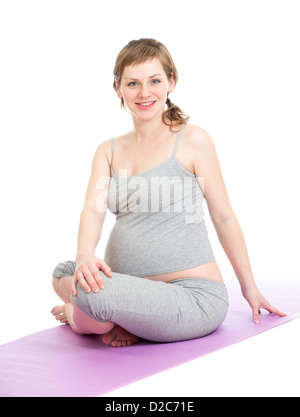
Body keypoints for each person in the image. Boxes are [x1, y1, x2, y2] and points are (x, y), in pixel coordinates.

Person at [51, 38, 286, 347]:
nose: (144, 92)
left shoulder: (193, 140)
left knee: (92, 297)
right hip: (127, 288)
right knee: (65, 271)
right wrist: (84, 256)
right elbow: (93, 209)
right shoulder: (107, 151)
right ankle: (117, 315)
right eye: (133, 83)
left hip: (191, 297)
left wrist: (249, 288)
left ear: (171, 82)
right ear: (118, 88)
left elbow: (224, 216)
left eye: (155, 81)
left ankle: (84, 315)